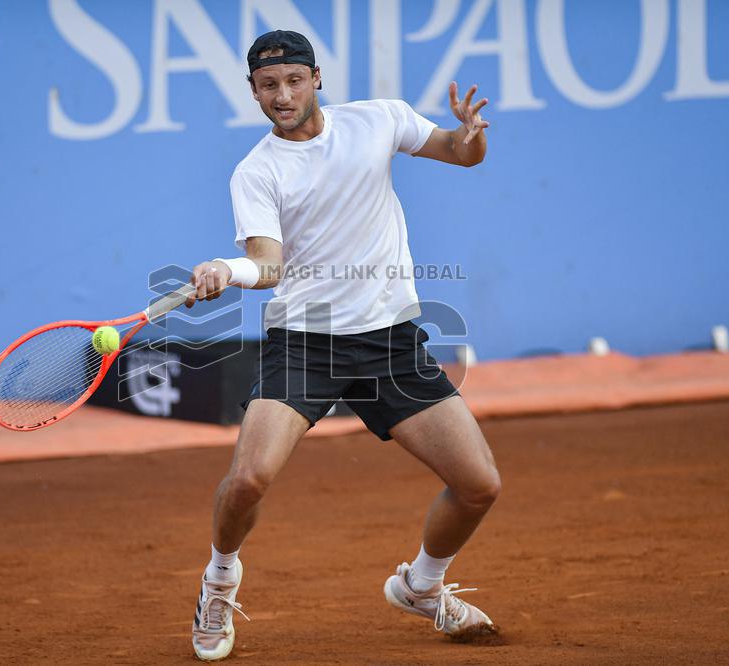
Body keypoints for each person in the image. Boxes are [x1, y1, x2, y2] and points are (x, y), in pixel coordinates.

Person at [184, 30, 500, 661]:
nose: (282, 95)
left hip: (390, 343)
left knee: (478, 485)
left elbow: (461, 155)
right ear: (253, 91)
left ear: (316, 78)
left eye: (293, 81)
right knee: (247, 479)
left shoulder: (378, 120)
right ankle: (220, 578)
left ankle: (421, 586)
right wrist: (228, 267)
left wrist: (470, 135)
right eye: (268, 86)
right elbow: (268, 265)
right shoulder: (257, 172)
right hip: (305, 345)